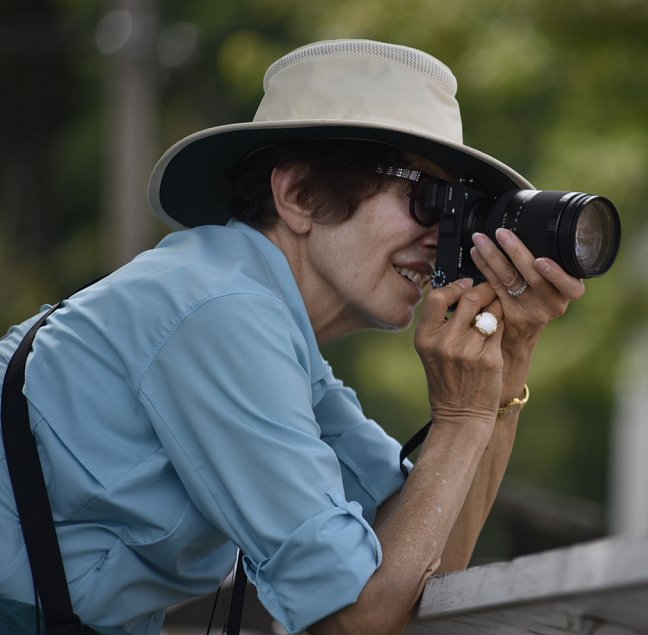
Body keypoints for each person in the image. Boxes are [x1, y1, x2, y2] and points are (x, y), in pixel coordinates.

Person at [0, 39, 585, 634]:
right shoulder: (219, 310)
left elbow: (421, 567)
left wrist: (506, 371)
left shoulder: (267, 323)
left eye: (464, 211)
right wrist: (460, 418)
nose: (446, 239)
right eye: (427, 200)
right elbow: (354, 620)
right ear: (300, 194)